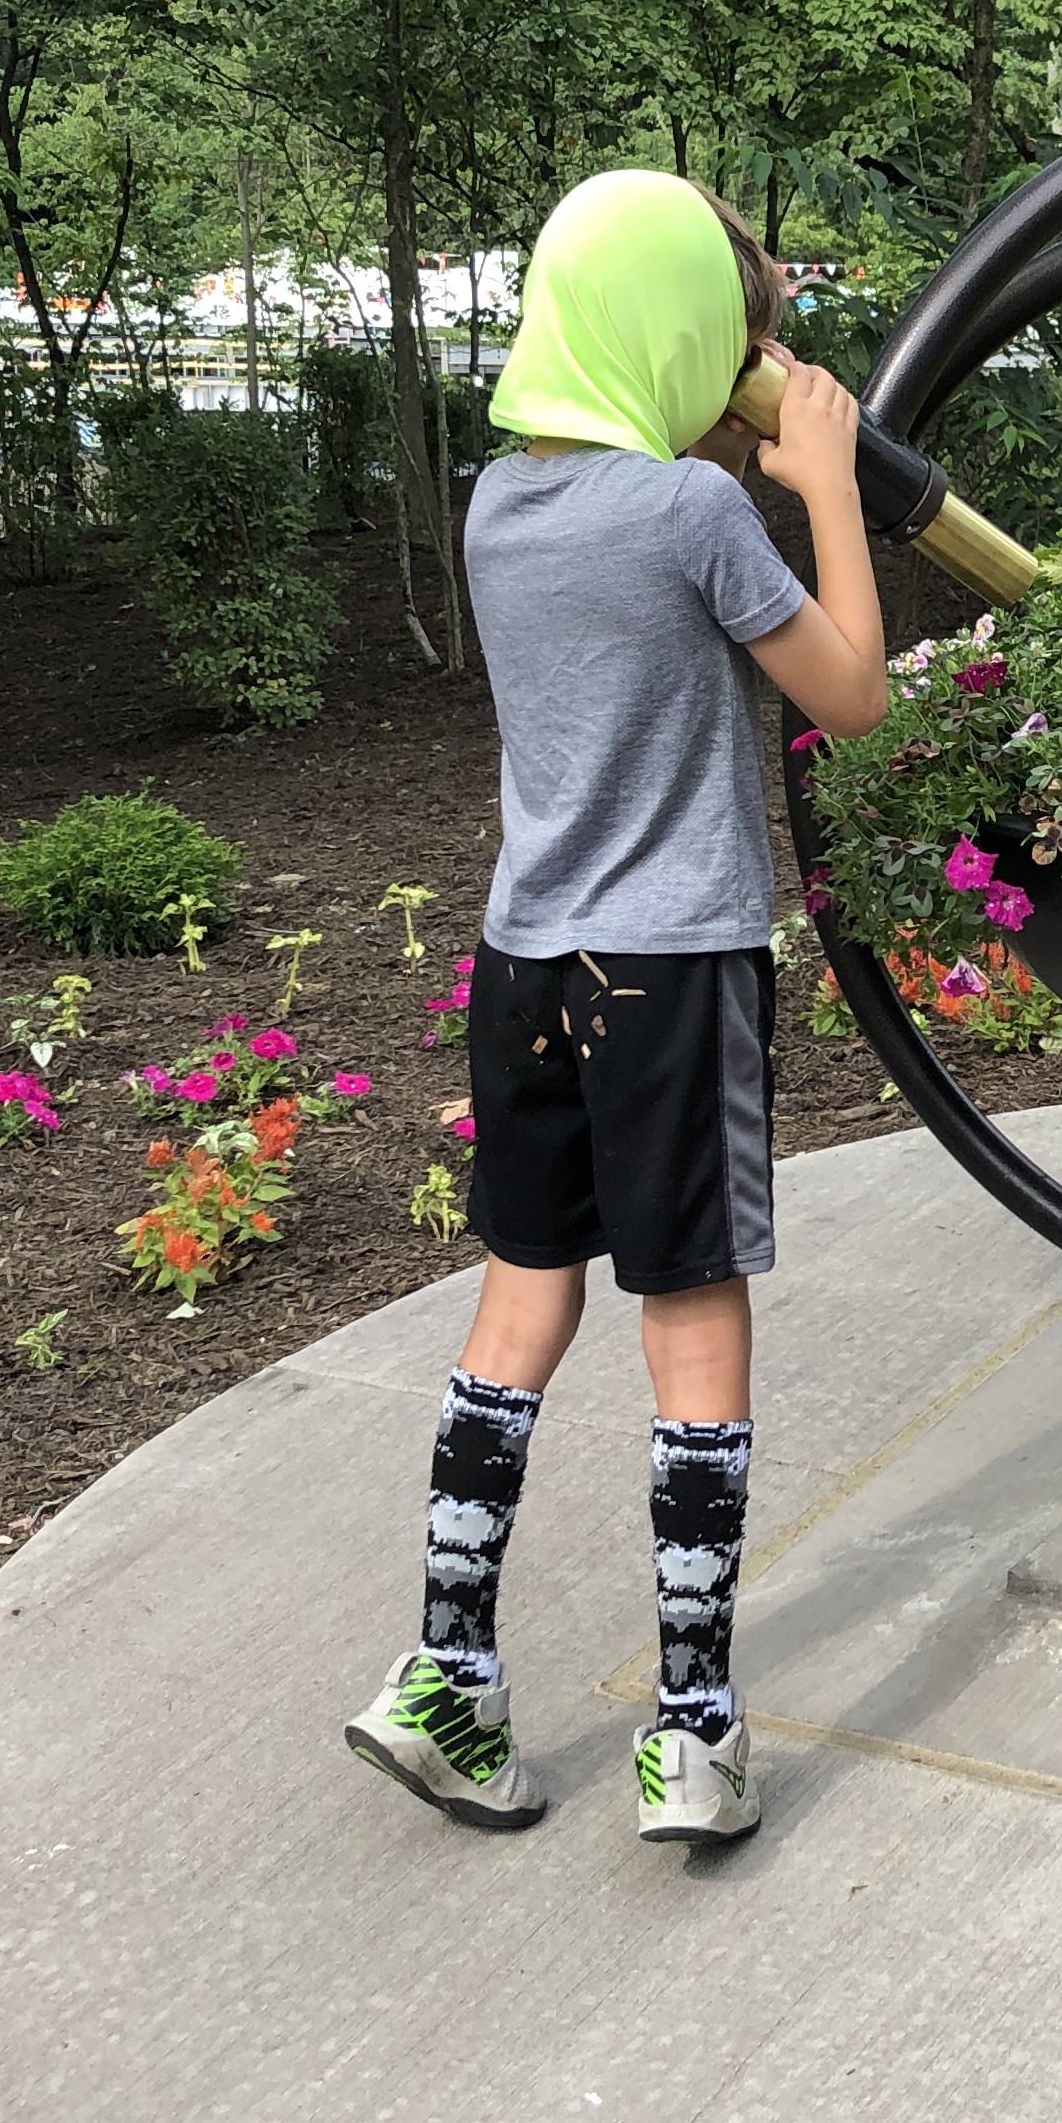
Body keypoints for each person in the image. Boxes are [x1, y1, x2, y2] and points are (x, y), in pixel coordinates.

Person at [344, 173, 889, 1850]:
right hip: (672, 975)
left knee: (520, 1308)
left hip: (522, 969)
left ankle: (443, 1673)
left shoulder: (501, 507)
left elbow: (640, 567)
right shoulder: (697, 521)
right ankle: (695, 1729)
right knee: (694, 1329)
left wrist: (733, 436)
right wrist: (831, 485)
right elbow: (854, 696)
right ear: (677, 340)